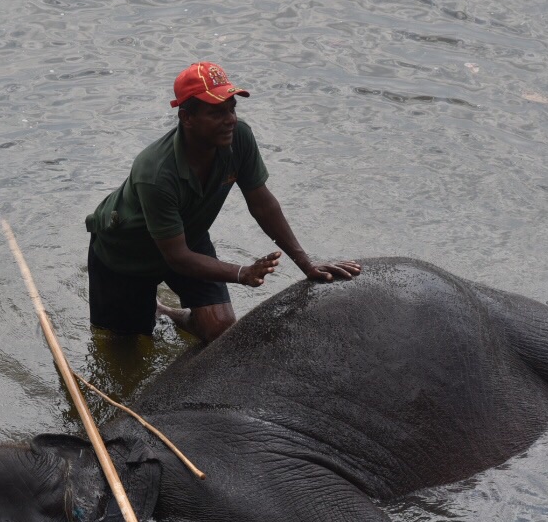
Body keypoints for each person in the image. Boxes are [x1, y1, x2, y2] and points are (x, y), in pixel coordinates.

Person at [85, 62, 361, 344]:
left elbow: (262, 204)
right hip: (127, 254)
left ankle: (164, 311)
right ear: (187, 118)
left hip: (186, 235)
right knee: (125, 346)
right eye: (216, 112)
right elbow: (176, 257)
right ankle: (142, 313)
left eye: (232, 108)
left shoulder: (239, 137)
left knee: (220, 329)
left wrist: (307, 263)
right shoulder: (155, 172)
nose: (229, 119)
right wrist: (242, 273)